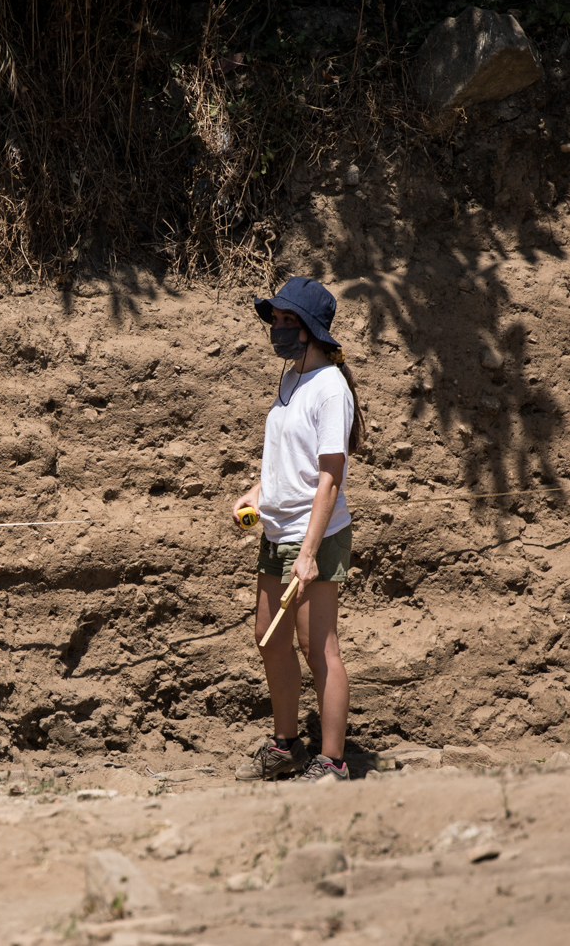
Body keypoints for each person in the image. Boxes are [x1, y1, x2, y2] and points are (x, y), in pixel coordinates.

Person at [231, 276, 363, 783]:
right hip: (276, 530)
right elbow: (288, 457)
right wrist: (257, 492)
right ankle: (285, 747)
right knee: (269, 640)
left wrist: (308, 553)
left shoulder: (329, 388)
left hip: (316, 535)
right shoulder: (291, 378)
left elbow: (330, 477)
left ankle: (332, 763)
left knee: (318, 648)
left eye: (290, 320)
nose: (279, 328)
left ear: (311, 328)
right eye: (277, 319)